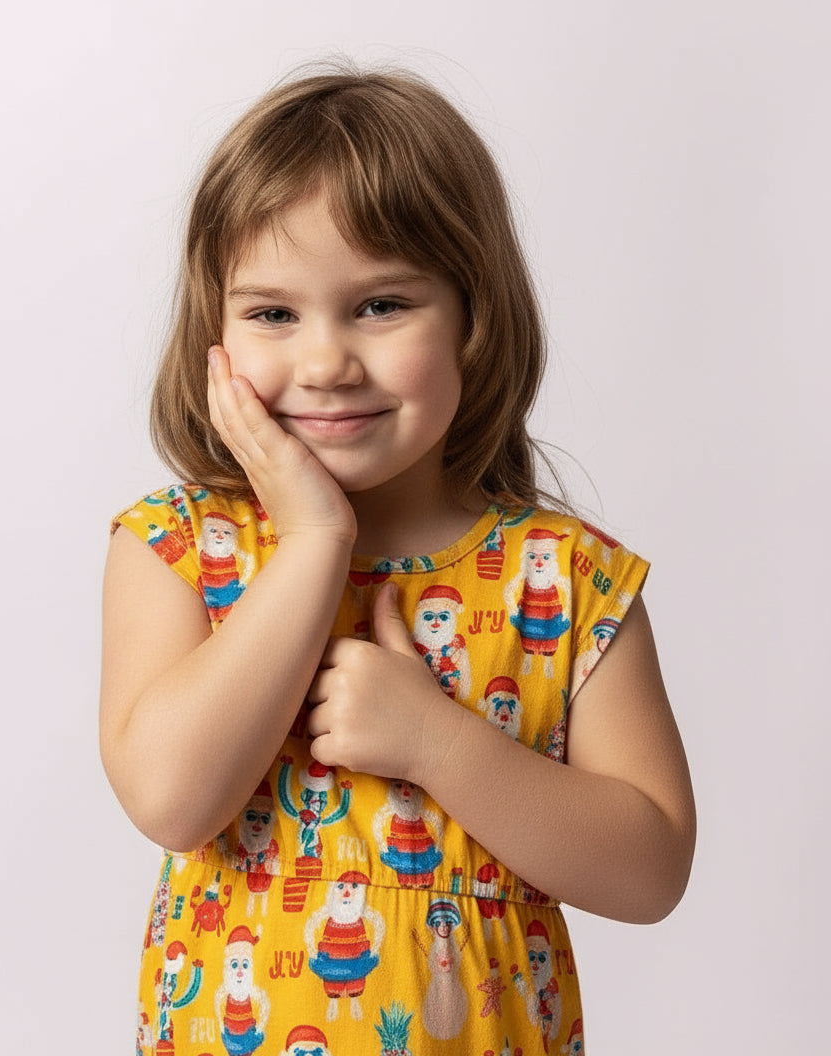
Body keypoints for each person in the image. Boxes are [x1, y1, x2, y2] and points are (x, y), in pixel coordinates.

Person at [100, 64, 696, 1054]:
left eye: (380, 306)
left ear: (472, 315)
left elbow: (647, 873)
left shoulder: (567, 578)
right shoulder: (177, 549)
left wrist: (438, 745)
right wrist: (312, 539)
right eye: (272, 314)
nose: (327, 361)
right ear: (214, 333)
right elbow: (171, 797)